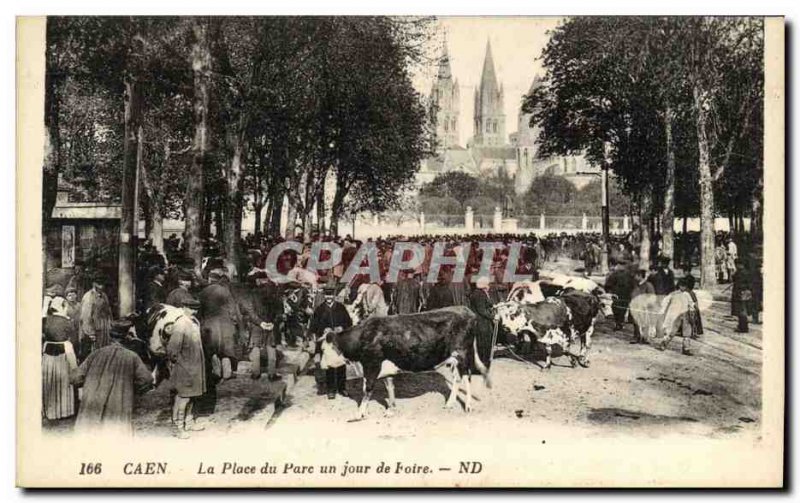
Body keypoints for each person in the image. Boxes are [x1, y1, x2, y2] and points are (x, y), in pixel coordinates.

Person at [71, 320, 155, 436]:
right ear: (127, 337)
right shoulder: (132, 357)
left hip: (92, 411)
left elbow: (75, 378)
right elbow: (147, 380)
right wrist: (132, 389)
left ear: (110, 336)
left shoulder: (95, 354)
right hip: (118, 407)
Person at [165, 298, 207, 439]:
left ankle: (188, 422)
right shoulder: (181, 324)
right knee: (182, 397)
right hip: (184, 367)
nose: (194, 311)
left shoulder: (194, 322)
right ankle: (178, 427)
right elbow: (172, 349)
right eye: (190, 308)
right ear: (184, 307)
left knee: (192, 396)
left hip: (195, 366)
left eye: (195, 308)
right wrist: (179, 363)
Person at [309, 285, 352, 399]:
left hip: (339, 341)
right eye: (327, 295)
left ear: (334, 296)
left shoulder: (341, 308)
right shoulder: (320, 309)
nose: (329, 297)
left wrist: (341, 328)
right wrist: (323, 330)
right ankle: (331, 389)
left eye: (331, 295)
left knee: (341, 364)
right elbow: (313, 326)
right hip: (327, 342)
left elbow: (349, 323)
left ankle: (342, 388)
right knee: (329, 366)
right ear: (324, 296)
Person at [42, 296, 79, 421]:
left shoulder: (46, 320)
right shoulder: (68, 322)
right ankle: (64, 410)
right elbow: (73, 339)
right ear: (62, 307)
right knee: (63, 381)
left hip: (48, 354)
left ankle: (50, 410)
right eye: (66, 306)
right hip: (63, 353)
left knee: (50, 380)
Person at [198, 270, 240, 380]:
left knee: (212, 349)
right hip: (225, 324)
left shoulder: (203, 292)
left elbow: (200, 310)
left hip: (209, 324)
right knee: (225, 350)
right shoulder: (225, 291)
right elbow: (232, 309)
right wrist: (234, 321)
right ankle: (227, 372)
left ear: (210, 279)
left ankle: (215, 371)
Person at [655, 278, 696, 356]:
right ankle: (663, 344)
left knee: (687, 331)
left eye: (685, 286)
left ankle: (686, 348)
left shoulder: (687, 294)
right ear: (679, 285)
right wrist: (662, 310)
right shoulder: (673, 294)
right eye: (682, 286)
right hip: (674, 315)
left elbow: (691, 303)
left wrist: (692, 310)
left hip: (685, 314)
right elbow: (665, 302)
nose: (684, 288)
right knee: (671, 331)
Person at [79, 274, 113, 354]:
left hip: (104, 329)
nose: (101, 286)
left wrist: (110, 324)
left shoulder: (104, 295)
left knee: (104, 351)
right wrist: (91, 333)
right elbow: (85, 317)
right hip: (94, 330)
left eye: (102, 284)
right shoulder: (88, 297)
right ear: (94, 284)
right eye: (99, 284)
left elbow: (108, 311)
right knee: (94, 353)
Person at [468, 277, 496, 364]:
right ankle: (483, 360)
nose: (489, 286)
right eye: (488, 284)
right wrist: (493, 316)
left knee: (484, 341)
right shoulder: (479, 294)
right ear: (484, 285)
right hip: (481, 322)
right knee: (483, 341)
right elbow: (482, 310)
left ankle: (483, 359)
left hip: (482, 321)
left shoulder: (481, 293)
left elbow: (488, 303)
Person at [604, 262, 636, 331]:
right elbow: (633, 284)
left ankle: (619, 322)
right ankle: (620, 322)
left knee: (617, 307)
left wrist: (608, 291)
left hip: (619, 294)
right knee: (622, 308)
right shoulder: (628, 274)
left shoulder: (615, 274)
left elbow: (608, 284)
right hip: (624, 294)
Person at [629, 269, 656, 344]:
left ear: (640, 276)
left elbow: (652, 297)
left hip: (644, 308)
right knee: (635, 322)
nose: (634, 277)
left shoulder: (648, 285)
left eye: (636, 276)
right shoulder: (635, 285)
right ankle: (636, 336)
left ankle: (645, 338)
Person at [731, 259, 752, 333]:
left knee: (742, 311)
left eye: (737, 264)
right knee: (742, 310)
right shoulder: (744, 272)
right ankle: (742, 326)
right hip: (744, 293)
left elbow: (738, 282)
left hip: (741, 293)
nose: (736, 266)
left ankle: (743, 327)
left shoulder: (740, 273)